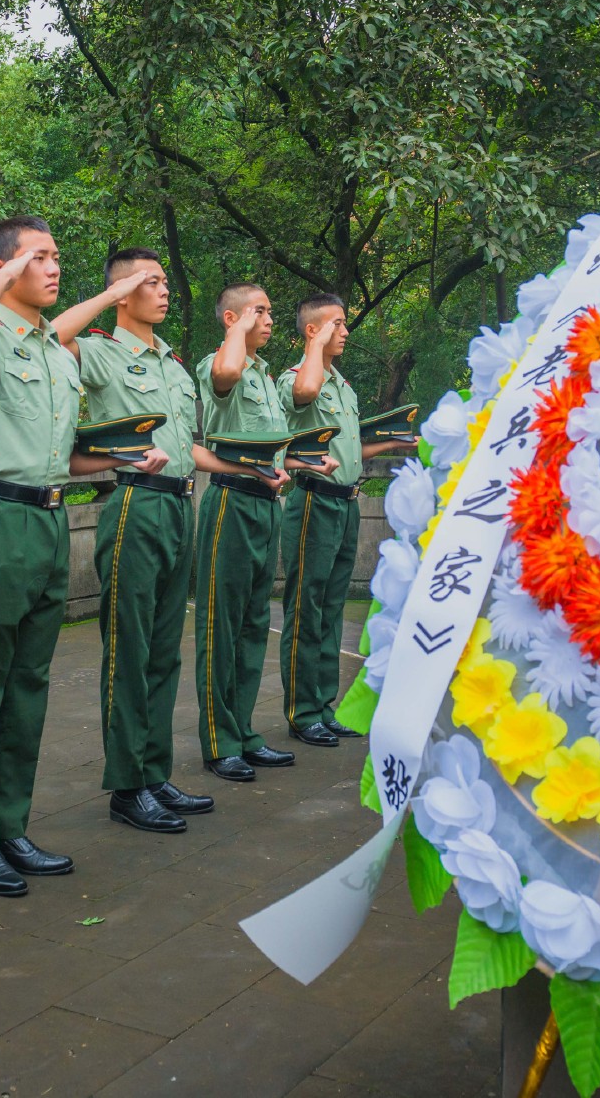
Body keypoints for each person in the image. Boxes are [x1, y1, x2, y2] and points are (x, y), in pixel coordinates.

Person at [0, 216, 132, 896]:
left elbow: (71, 444)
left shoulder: (54, 349)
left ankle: (11, 823)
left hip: (51, 519)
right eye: (38, 258)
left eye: (56, 256)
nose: (53, 267)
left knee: (28, 685)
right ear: (2, 269)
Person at [50, 250, 258, 833]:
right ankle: (126, 784)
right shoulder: (98, 350)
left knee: (165, 649)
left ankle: (154, 771)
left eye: (166, 279)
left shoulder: (171, 363)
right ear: (121, 292)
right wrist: (116, 294)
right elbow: (51, 335)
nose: (163, 290)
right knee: (130, 649)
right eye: (150, 281)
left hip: (178, 503)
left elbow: (187, 440)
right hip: (134, 503)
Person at [277, 294, 415, 746]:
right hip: (314, 502)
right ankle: (301, 711)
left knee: (333, 607)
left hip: (346, 503)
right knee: (306, 607)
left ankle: (323, 703)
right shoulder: (298, 377)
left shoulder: (344, 386)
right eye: (337, 323)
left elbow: (351, 449)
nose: (346, 331)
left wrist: (395, 443)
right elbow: (303, 396)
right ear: (313, 330)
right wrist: (314, 347)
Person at [192, 283, 311, 782]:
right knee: (221, 625)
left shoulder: (264, 375)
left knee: (253, 624)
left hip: (266, 504)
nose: (268, 319)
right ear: (232, 318)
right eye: (259, 311)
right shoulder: (219, 362)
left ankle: (243, 732)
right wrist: (237, 329)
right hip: (230, 503)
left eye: (268, 310)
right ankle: (220, 741)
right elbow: (225, 374)